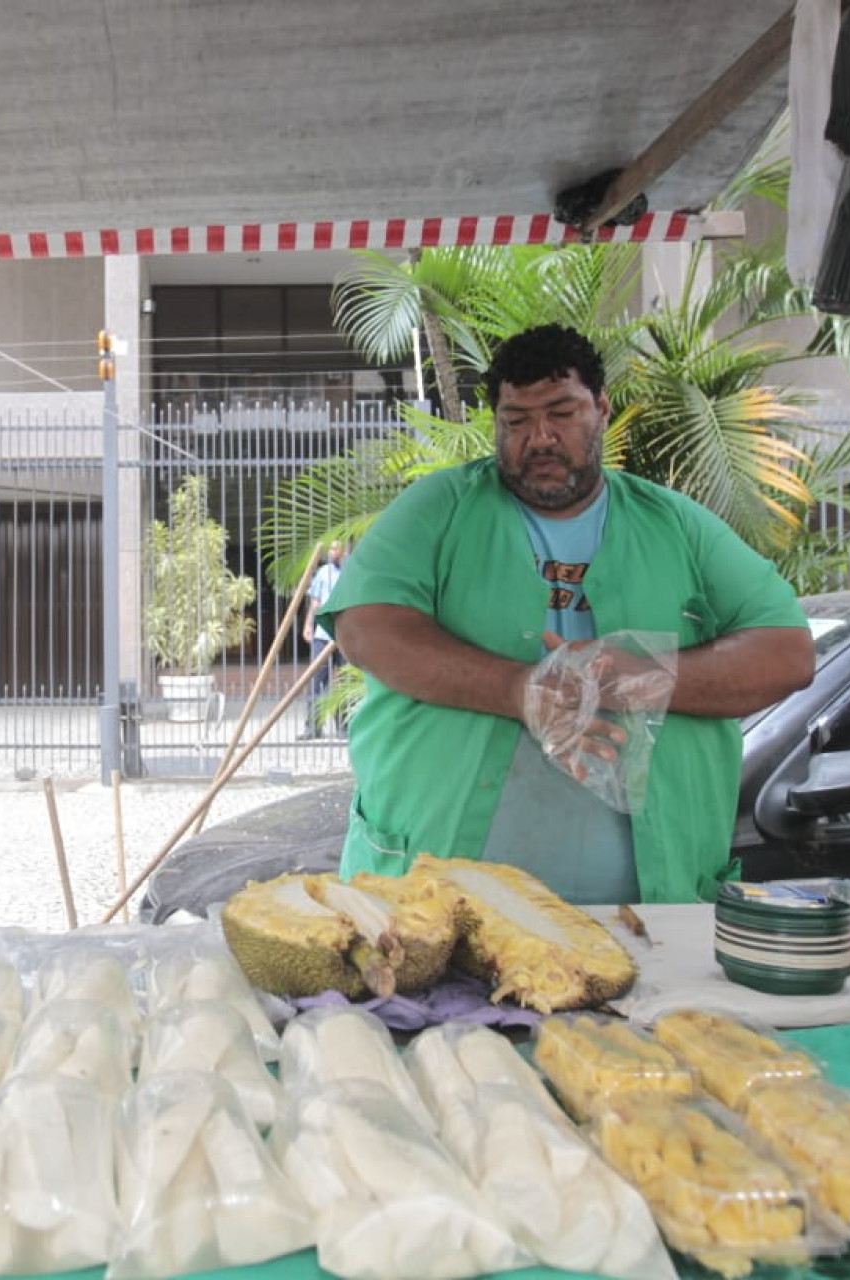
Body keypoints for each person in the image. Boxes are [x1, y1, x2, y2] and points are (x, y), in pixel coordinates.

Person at [317, 324, 815, 903]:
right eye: (516, 421)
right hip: (432, 912)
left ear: (601, 409)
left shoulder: (675, 525)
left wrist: (636, 676)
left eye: (562, 412)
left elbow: (787, 652)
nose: (540, 438)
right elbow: (367, 629)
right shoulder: (438, 509)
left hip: (653, 915)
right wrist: (520, 690)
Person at [300, 540, 347, 739]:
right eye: (330, 548)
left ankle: (344, 728)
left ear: (344, 551)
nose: (331, 552)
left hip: (346, 636)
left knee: (345, 682)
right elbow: (316, 601)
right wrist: (309, 624)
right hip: (323, 635)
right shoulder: (323, 572)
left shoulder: (351, 573)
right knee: (316, 681)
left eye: (335, 549)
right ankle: (313, 727)